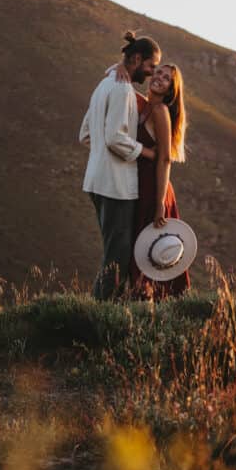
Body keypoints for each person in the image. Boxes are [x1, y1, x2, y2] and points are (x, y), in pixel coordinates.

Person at [79, 31, 161, 299]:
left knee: (113, 252)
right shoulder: (123, 89)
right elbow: (116, 138)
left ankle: (107, 310)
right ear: (137, 59)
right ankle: (100, 315)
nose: (151, 73)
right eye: (151, 66)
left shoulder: (104, 85)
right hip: (116, 186)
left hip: (96, 181)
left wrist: (103, 153)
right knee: (117, 258)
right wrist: (148, 153)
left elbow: (85, 134)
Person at [116, 61, 189, 298]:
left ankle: (157, 305)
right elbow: (123, 82)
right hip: (140, 187)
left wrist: (159, 204)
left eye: (166, 78)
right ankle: (141, 303)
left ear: (170, 89)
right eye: (157, 72)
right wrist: (120, 65)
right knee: (142, 251)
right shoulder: (144, 105)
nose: (158, 77)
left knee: (151, 250)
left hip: (154, 189)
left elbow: (165, 159)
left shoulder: (160, 111)